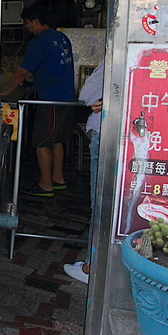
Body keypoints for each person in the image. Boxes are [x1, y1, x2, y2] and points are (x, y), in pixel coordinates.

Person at [1, 0, 75, 197]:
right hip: (67, 98)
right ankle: (58, 179)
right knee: (57, 140)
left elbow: (22, 71)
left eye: (27, 24)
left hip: (49, 100)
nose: (27, 28)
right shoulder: (62, 38)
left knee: (42, 142)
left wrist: (7, 91)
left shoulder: (40, 41)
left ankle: (45, 184)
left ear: (35, 21)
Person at [64, 62, 104, 285]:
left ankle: (91, 267)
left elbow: (87, 94)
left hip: (107, 132)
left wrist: (107, 100)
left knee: (100, 203)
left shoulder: (115, 60)